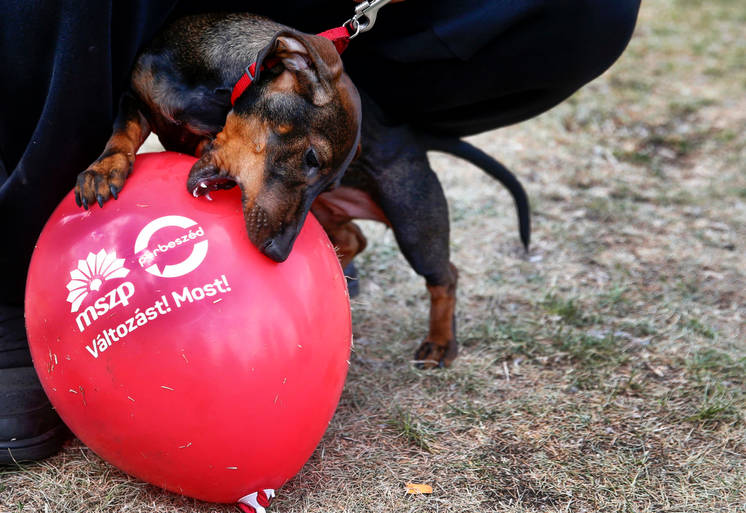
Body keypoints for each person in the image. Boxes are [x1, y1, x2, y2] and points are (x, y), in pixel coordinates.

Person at [0, 0, 641, 463]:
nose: (283, 227)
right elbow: (142, 102)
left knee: (591, 12)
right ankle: (10, 292)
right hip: (234, 62)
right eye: (307, 176)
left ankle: (438, 297)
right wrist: (122, 150)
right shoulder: (178, 72)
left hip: (337, 81)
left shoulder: (290, 98)